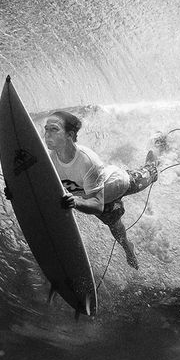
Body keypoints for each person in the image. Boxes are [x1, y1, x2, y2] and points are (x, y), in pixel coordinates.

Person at [43, 110, 158, 269]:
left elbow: (97, 205)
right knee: (115, 226)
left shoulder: (86, 160)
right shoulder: (52, 158)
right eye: (46, 129)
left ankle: (156, 145)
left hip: (119, 183)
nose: (47, 134)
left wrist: (76, 201)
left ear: (69, 135)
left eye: (54, 129)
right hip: (100, 196)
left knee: (151, 173)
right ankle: (128, 249)